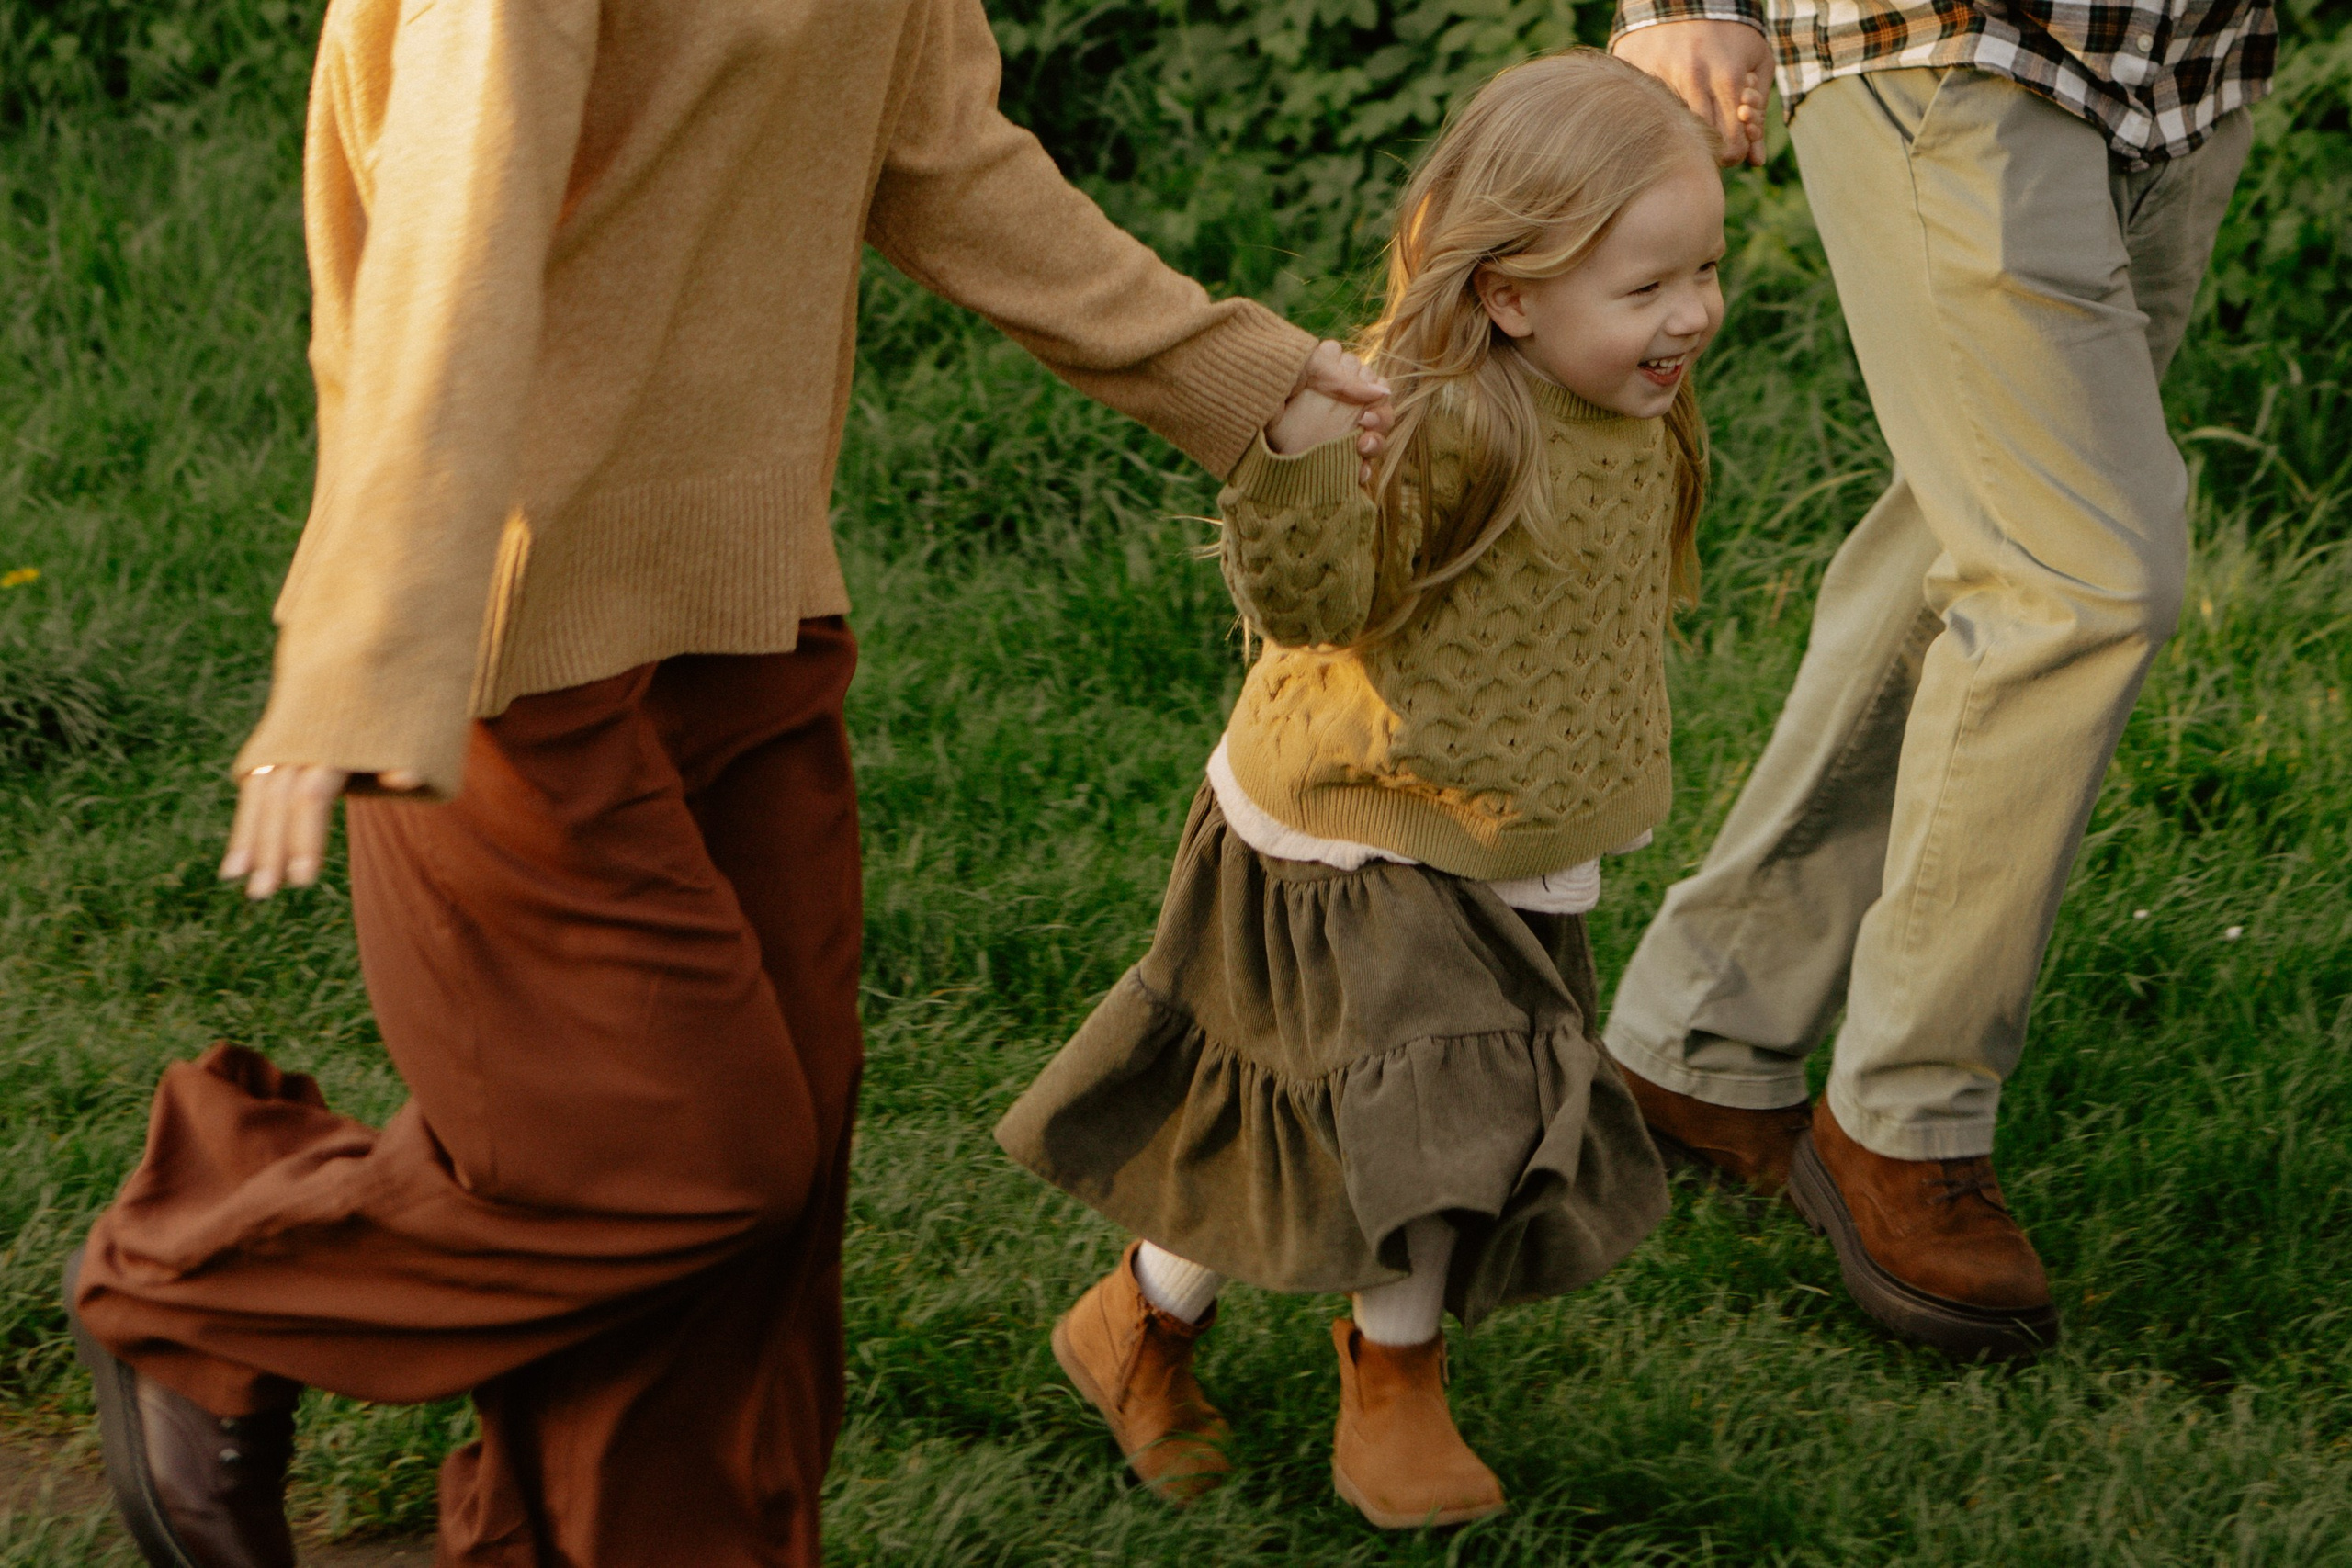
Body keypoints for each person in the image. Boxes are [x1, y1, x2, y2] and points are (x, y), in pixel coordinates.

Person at [59, 2, 1395, 1564]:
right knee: (681, 1162)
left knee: (783, 1173)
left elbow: (941, 156)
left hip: (751, 608)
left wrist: (1227, 377)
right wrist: (368, 640)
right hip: (508, 643)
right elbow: (448, 228)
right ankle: (195, 1287)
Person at [997, 49, 1728, 1529]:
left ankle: (1138, 1322)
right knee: (1443, 1119)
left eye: (1705, 271)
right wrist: (1301, 462)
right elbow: (1314, 606)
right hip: (1356, 829)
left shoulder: (1641, 412)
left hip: (1504, 835)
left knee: (1317, 1127)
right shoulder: (1445, 415)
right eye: (1648, 289)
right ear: (1511, 292)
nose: (1693, 315)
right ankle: (1396, 1384)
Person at [1603, 0, 2274, 1357]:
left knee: (1980, 529)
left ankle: (1706, 1035)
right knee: (2078, 579)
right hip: (1943, 39)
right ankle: (1906, 1122)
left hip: (2182, 73)